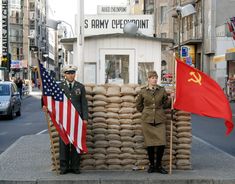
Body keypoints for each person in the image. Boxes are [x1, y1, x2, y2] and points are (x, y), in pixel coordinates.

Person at [42, 65, 88, 175]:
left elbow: (84, 104)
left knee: (76, 144)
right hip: (64, 120)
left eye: (72, 73)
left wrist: (85, 118)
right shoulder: (60, 87)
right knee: (64, 144)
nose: (70, 75)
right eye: (68, 73)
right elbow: (50, 97)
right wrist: (45, 106)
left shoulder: (80, 87)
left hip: (77, 119)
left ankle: (75, 167)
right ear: (65, 75)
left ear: (75, 74)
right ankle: (64, 167)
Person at [136, 71, 170, 174]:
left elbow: (166, 104)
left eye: (155, 77)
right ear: (148, 79)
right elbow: (139, 106)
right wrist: (147, 112)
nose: (154, 79)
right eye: (152, 77)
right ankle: (151, 166)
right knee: (149, 144)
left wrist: (171, 99)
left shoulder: (162, 90)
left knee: (161, 143)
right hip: (147, 120)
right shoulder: (143, 91)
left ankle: (159, 166)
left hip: (159, 119)